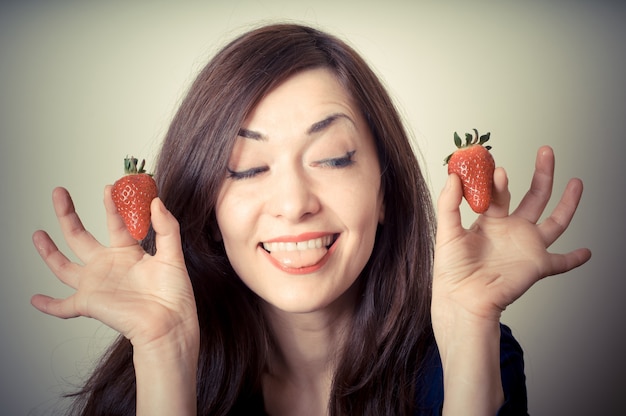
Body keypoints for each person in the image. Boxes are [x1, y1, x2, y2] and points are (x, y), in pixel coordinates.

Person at [31, 23, 591, 416]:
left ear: (385, 191)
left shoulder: (477, 351)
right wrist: (163, 355)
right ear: (206, 208)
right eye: (248, 168)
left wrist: (469, 333)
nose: (294, 201)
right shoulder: (142, 377)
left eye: (333, 158)